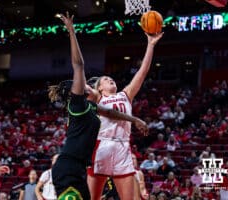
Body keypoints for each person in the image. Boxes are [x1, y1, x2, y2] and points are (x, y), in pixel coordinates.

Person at [50, 12, 148, 200]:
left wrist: (135, 119)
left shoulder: (92, 108)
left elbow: (111, 112)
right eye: (86, 85)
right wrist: (72, 31)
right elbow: (79, 65)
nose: (88, 83)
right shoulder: (77, 105)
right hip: (68, 168)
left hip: (80, 168)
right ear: (81, 92)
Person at [87, 30, 163, 200]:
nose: (110, 79)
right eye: (105, 79)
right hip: (101, 146)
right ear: (99, 88)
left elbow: (142, 72)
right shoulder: (97, 98)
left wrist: (150, 45)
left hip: (123, 147)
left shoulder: (125, 95)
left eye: (110, 77)